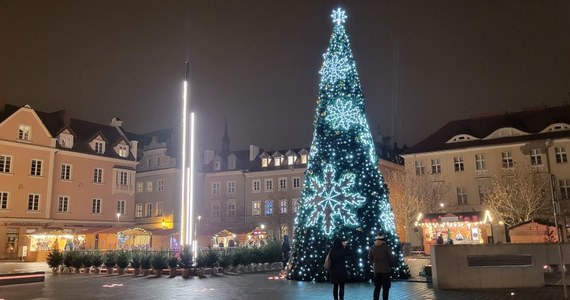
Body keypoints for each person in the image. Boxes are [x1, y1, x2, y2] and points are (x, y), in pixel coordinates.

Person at [369, 234, 394, 300]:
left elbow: (370, 258)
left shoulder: (372, 247)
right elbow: (391, 258)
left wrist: (374, 265)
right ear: (383, 240)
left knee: (377, 286)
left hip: (376, 270)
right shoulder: (387, 248)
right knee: (386, 288)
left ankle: (375, 298)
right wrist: (390, 265)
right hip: (385, 270)